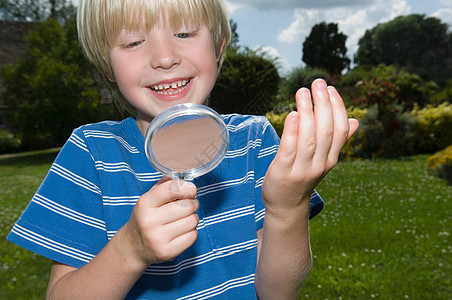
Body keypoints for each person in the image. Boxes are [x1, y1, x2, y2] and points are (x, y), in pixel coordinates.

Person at [7, 0, 359, 299]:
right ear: (106, 66)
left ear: (219, 45)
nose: (164, 57)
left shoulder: (254, 142)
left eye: (185, 33)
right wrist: (129, 250)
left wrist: (287, 206)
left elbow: (278, 293)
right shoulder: (91, 154)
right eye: (132, 42)